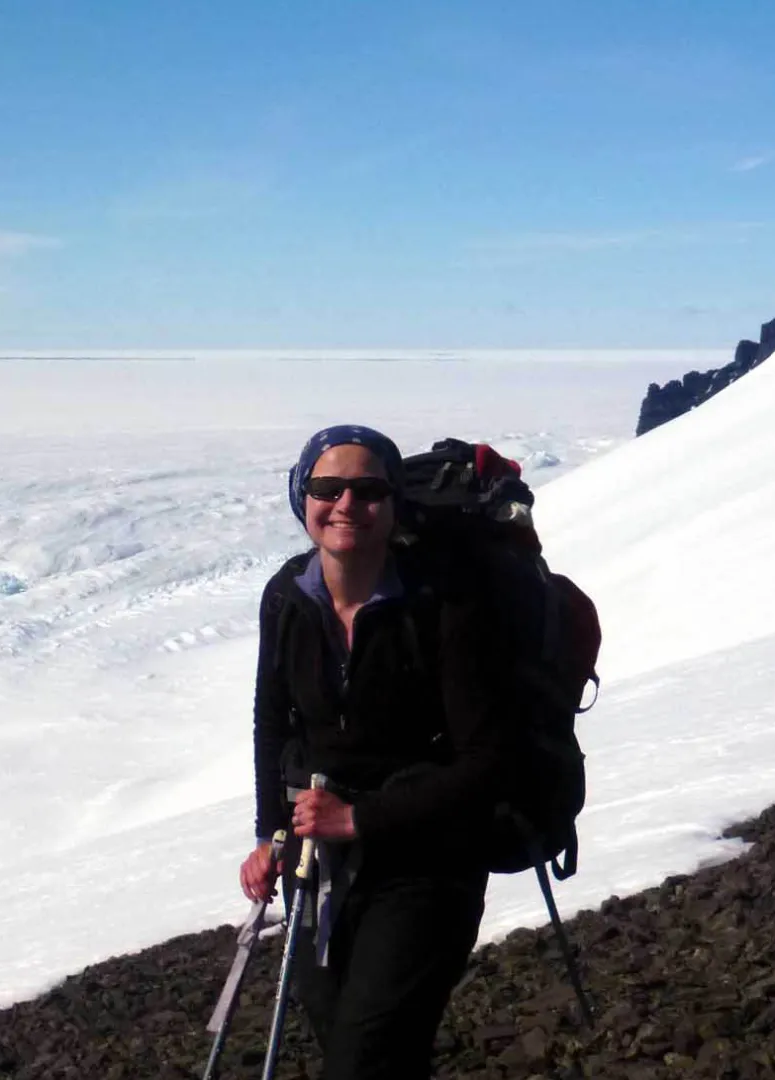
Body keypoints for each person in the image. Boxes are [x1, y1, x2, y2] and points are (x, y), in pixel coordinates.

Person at [240, 424, 505, 1079]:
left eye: (368, 490)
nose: (346, 505)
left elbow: (488, 760)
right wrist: (271, 833)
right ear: (302, 497)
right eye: (328, 488)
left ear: (394, 506)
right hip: (317, 862)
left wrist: (358, 820)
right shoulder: (288, 596)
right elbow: (273, 723)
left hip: (428, 860)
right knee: (366, 1054)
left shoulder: (443, 603)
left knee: (362, 1061)